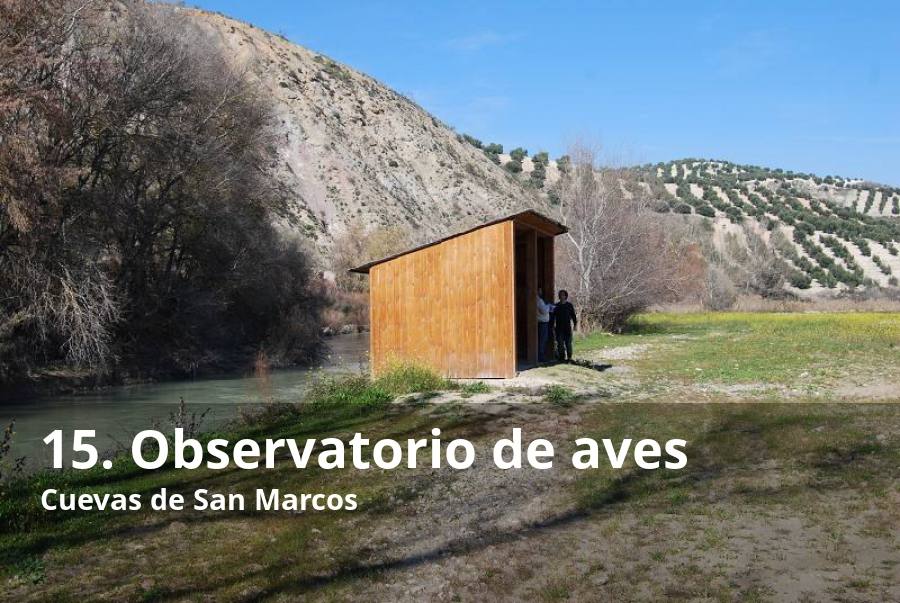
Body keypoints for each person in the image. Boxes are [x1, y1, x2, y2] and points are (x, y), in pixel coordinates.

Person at [553, 289, 577, 362]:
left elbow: (573, 316)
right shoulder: (556, 306)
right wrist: (552, 326)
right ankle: (562, 358)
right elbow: (553, 317)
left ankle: (569, 357)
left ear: (566, 296)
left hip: (567, 328)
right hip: (559, 328)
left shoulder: (569, 305)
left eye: (563, 295)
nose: (561, 296)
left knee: (568, 344)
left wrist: (575, 325)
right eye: (560, 295)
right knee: (560, 344)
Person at [536, 288, 552, 363]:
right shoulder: (538, 300)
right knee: (542, 340)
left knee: (542, 339)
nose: (541, 292)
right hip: (542, 323)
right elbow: (544, 311)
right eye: (540, 290)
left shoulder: (539, 300)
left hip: (543, 323)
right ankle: (541, 357)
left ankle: (541, 356)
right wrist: (548, 306)